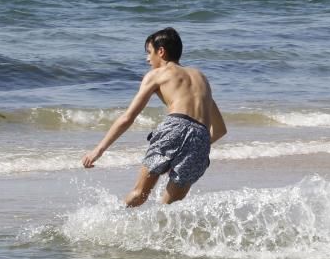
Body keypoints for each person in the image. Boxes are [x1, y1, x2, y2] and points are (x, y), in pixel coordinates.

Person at [82, 27, 228, 206]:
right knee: (168, 207)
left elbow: (128, 117)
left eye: (149, 53)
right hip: (202, 138)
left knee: (139, 194)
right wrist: (190, 147)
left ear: (161, 51)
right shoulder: (201, 78)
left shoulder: (157, 75)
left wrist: (98, 150)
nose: (147, 59)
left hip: (175, 127)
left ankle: (108, 224)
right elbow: (220, 130)